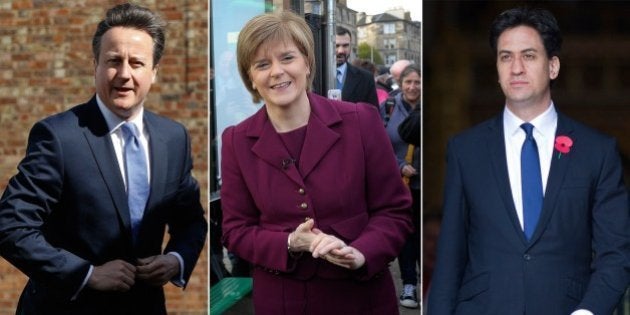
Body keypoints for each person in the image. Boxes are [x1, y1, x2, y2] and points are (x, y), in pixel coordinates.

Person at [0, 4, 208, 314]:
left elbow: (191, 220)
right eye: (113, 61)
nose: (124, 74)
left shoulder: (173, 138)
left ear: (154, 72)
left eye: (136, 63)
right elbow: (11, 225)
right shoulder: (59, 137)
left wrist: (175, 259)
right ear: (96, 65)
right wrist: (86, 274)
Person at [428, 7, 630, 315]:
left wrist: (587, 312)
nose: (516, 68)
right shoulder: (465, 150)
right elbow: (449, 258)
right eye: (505, 57)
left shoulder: (596, 151)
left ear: (553, 66)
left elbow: (616, 254)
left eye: (529, 56)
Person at [220, 10, 413, 314]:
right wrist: (289, 243)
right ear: (250, 78)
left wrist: (362, 252)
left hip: (362, 297)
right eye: (262, 64)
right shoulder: (236, 141)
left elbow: (395, 211)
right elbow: (235, 231)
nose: (276, 72)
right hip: (284, 302)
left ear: (307, 63)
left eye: (287, 58)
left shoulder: (360, 121)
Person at [380, 64, 421, 309]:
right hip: (401, 185)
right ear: (400, 83)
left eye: (418, 82)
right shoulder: (389, 108)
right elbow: (379, 144)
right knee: (407, 234)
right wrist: (398, 166)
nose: (413, 87)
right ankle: (409, 284)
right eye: (409, 82)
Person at [335, 26, 379, 107]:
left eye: (345, 46)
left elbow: (373, 115)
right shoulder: (311, 76)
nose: (341, 51)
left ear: (351, 46)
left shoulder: (366, 78)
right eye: (336, 45)